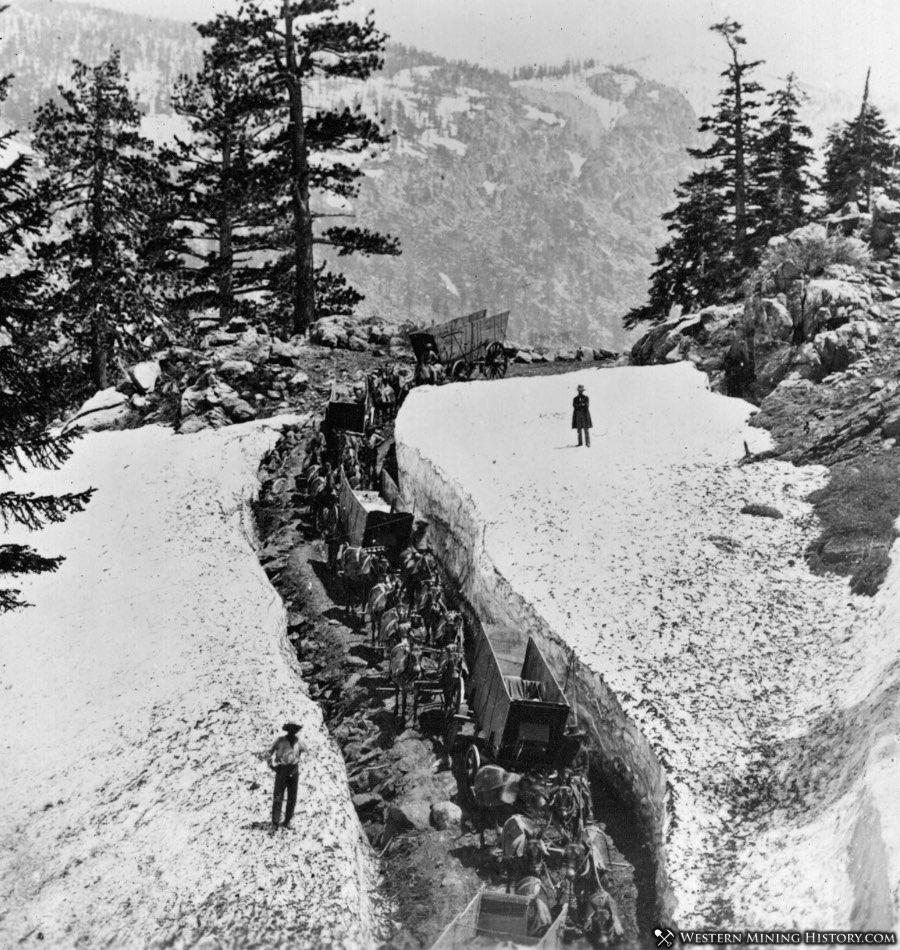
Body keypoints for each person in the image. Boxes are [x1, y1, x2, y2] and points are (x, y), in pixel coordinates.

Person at [268, 722, 307, 833]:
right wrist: (271, 766)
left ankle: (287, 821)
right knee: (278, 796)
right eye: (290, 730)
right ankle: (275, 823)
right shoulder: (280, 741)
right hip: (282, 770)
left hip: (294, 770)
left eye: (294, 730)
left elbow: (308, 753)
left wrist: (298, 763)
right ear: (287, 730)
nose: (292, 732)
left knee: (292, 797)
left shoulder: (299, 742)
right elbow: (268, 752)